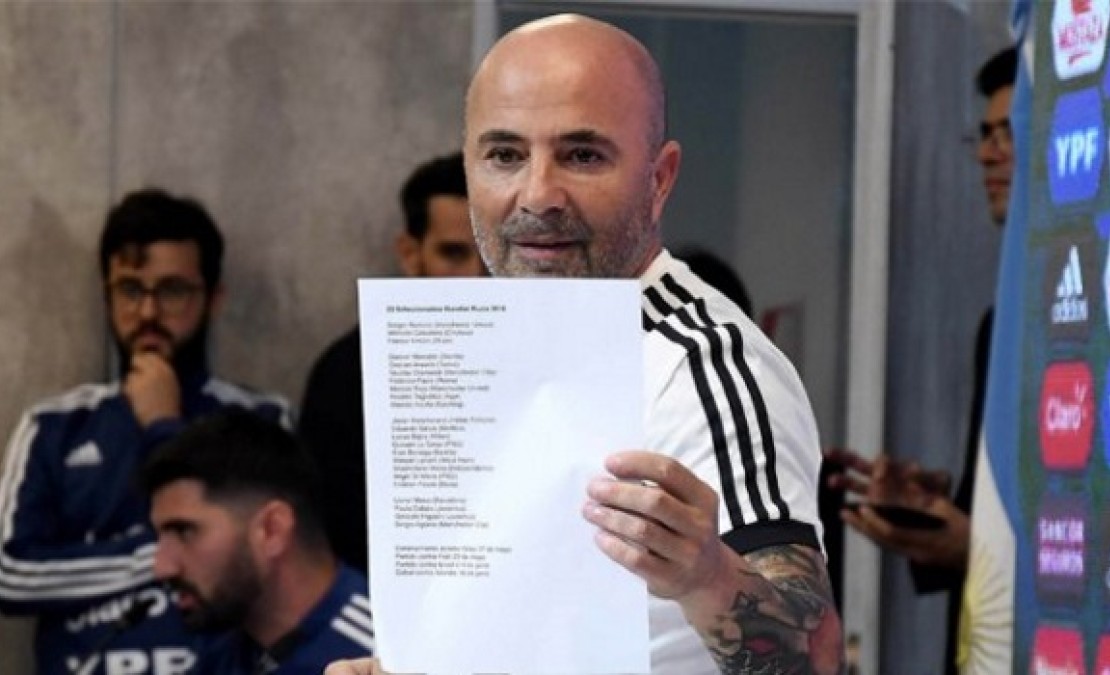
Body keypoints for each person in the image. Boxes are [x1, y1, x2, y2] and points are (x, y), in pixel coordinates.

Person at [329, 13, 843, 675]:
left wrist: (708, 576)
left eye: (582, 155)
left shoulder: (707, 365)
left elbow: (818, 657)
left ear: (660, 179)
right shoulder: (478, 350)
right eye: (505, 155)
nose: (538, 195)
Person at [0, 188, 291, 675]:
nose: (149, 313)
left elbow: (274, 561)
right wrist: (156, 555)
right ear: (107, 294)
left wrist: (163, 425)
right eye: (131, 290)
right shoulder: (54, 425)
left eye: (172, 290)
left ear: (213, 298)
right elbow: (10, 574)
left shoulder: (261, 420)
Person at [824, 45, 1016, 675]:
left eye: (1009, 134)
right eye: (984, 134)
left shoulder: (1107, 333)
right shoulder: (1000, 325)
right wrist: (938, 508)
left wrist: (976, 547)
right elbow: (992, 529)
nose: (988, 154)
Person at [298, 151, 486, 576]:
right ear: (410, 253)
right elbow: (331, 533)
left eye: (491, 254)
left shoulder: (543, 359)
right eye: (453, 254)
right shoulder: (347, 375)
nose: (476, 276)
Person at [144, 409, 373, 674]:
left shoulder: (383, 655)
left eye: (185, 532)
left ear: (271, 529)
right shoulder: (223, 655)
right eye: (160, 537)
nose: (162, 567)